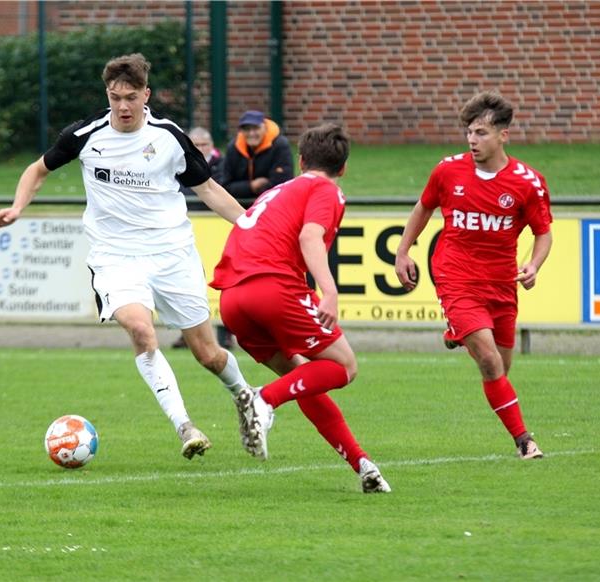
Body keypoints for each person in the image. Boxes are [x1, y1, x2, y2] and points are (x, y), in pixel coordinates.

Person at [0, 53, 253, 461]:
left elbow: (210, 190)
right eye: (115, 98)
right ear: (107, 94)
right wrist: (18, 207)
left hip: (171, 254)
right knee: (141, 330)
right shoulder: (85, 134)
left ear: (146, 94)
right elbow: (36, 170)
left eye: (131, 97)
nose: (123, 106)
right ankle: (186, 426)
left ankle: (244, 396)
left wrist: (253, 226)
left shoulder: (168, 137)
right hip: (115, 256)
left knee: (207, 353)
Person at [210, 123, 391, 493]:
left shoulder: (276, 191)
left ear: (301, 159)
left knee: (303, 380)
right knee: (344, 366)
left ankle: (363, 465)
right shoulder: (325, 188)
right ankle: (262, 399)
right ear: (343, 168)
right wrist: (329, 290)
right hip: (272, 288)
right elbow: (311, 236)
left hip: (232, 300)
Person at [394, 91, 553, 460]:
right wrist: (403, 251)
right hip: (455, 276)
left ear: (503, 135)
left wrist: (534, 264)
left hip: (501, 284)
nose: (472, 140)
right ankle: (524, 441)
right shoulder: (448, 170)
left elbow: (543, 232)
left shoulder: (528, 182)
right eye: (469, 132)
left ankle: (459, 334)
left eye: (481, 132)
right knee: (490, 362)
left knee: (500, 367)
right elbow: (423, 208)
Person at [173, 126, 233, 350]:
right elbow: (176, 188)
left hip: (218, 226)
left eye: (203, 145)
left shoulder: (222, 163)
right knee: (186, 284)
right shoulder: (179, 160)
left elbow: (221, 188)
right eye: (195, 145)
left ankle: (225, 334)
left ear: (212, 146)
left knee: (220, 282)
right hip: (187, 228)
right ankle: (187, 334)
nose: (199, 149)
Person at [220, 109, 294, 204]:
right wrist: (251, 186)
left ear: (265, 127)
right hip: (239, 205)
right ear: (241, 131)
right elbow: (224, 187)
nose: (251, 133)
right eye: (247, 129)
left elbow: (283, 185)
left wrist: (241, 188)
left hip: (273, 205)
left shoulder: (280, 145)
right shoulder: (233, 147)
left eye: (256, 128)